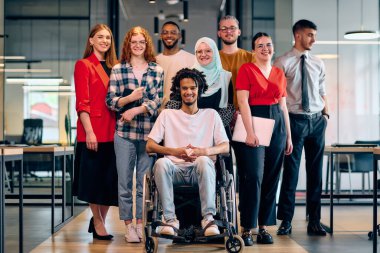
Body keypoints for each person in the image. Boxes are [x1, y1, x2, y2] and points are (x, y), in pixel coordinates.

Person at [146, 68, 229, 237]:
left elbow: (225, 146)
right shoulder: (167, 115)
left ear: (199, 90)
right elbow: (150, 145)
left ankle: (208, 219)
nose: (189, 92)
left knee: (204, 160)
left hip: (201, 171)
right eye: (184, 88)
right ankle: (170, 220)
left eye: (192, 88)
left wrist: (203, 151)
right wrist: (174, 152)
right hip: (174, 171)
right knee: (161, 163)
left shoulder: (211, 115)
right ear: (179, 90)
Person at [106, 26, 163, 243]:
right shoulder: (118, 69)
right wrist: (129, 99)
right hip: (124, 134)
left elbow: (157, 101)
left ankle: (141, 224)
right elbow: (110, 102)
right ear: (128, 45)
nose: (138, 45)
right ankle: (128, 226)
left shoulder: (156, 70)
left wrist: (135, 109)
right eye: (134, 42)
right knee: (124, 183)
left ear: (147, 44)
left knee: (144, 183)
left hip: (148, 135)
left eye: (142, 42)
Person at [235, 32, 293, 246]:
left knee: (271, 178)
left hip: (277, 124)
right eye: (260, 45)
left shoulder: (279, 72)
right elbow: (243, 102)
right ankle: (247, 228)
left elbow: (283, 106)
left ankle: (263, 228)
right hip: (254, 121)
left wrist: (288, 135)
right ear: (253, 51)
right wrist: (250, 132)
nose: (265, 48)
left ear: (273, 48)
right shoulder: (246, 69)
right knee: (254, 176)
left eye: (268, 45)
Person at [274, 19, 329, 236]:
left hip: (316, 121)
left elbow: (322, 90)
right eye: (310, 35)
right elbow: (278, 96)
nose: (313, 39)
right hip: (294, 121)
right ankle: (286, 221)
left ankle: (314, 221)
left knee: (316, 174)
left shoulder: (318, 62)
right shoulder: (282, 62)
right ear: (298, 35)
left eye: (314, 35)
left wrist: (326, 114)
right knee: (291, 173)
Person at [73, 23, 119, 240]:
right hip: (93, 132)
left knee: (108, 182)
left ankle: (99, 218)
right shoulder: (84, 65)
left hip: (115, 131)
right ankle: (98, 221)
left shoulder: (118, 66)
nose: (104, 41)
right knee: (94, 181)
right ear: (91, 40)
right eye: (100, 37)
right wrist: (89, 131)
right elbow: (82, 103)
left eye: (108, 38)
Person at [218, 15, 254, 110]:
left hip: (246, 111)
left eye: (232, 28)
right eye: (224, 28)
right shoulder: (213, 58)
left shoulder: (251, 57)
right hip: (220, 112)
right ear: (219, 33)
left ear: (239, 32)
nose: (228, 31)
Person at [156, 21, 195, 108]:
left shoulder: (191, 59)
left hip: (183, 113)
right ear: (161, 36)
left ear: (180, 36)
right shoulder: (154, 61)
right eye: (165, 33)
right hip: (158, 114)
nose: (169, 35)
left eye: (173, 33)